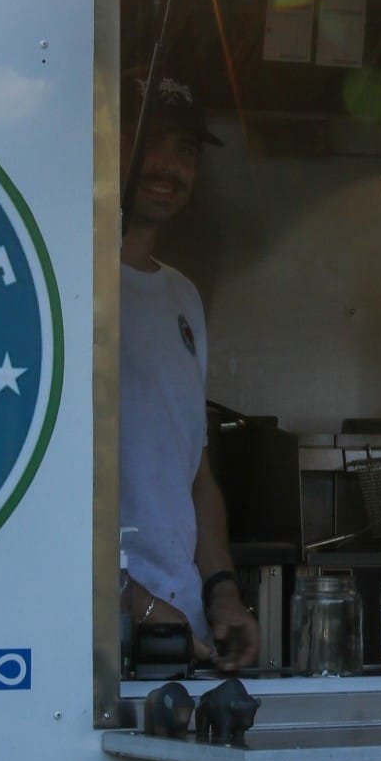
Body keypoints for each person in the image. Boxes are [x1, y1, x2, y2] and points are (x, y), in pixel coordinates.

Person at [119, 70, 259, 674]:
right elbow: (43, 489)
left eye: (186, 150)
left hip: (186, 634)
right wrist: (136, 606)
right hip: (103, 635)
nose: (169, 167)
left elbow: (196, 472)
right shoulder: (67, 284)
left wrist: (221, 591)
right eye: (149, 141)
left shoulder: (182, 296)